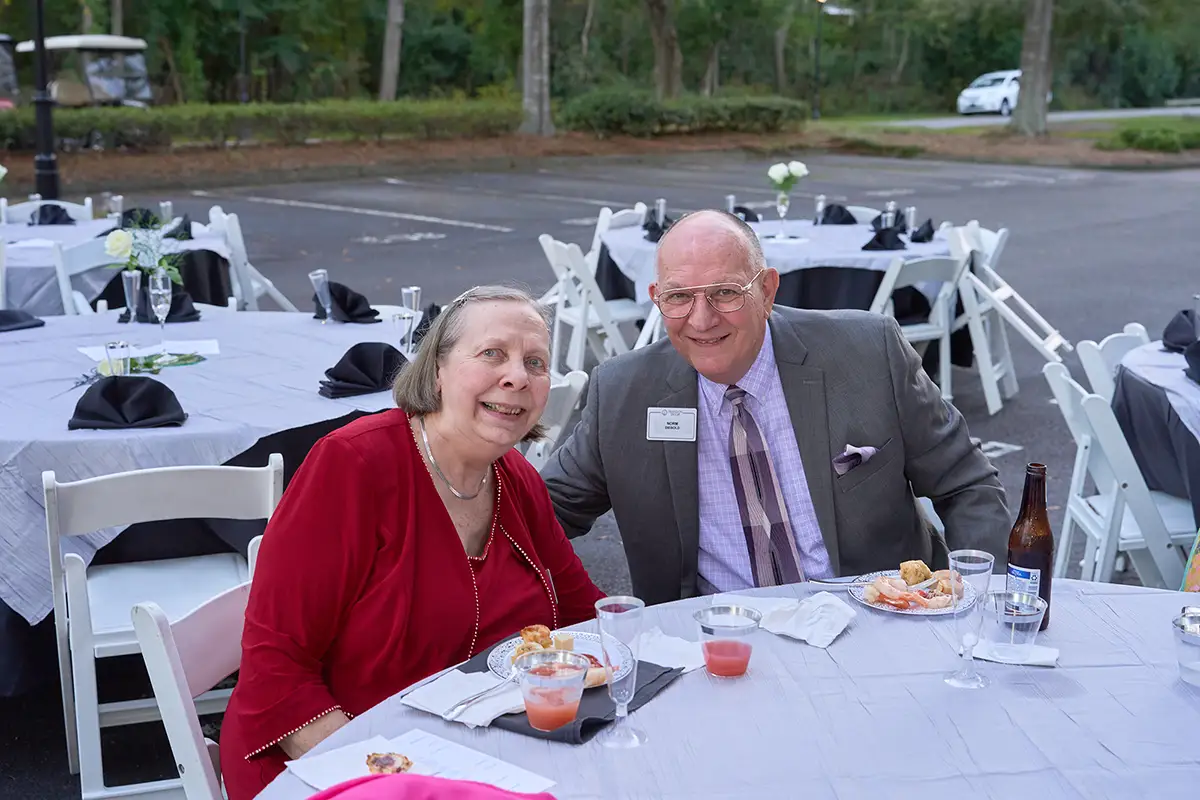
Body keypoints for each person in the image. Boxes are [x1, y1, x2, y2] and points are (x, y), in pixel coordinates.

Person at [220, 286, 606, 800]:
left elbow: (585, 613)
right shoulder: (352, 467)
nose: (517, 375)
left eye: (535, 362)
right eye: (492, 353)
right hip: (337, 759)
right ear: (438, 369)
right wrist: (396, 779)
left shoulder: (515, 477)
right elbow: (276, 672)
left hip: (489, 752)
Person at [542, 210, 1010, 604]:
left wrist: (977, 601)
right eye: (679, 297)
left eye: (725, 293)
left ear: (767, 290)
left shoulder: (868, 353)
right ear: (656, 299)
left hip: (873, 621)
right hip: (719, 643)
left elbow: (966, 484)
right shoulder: (625, 392)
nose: (701, 320)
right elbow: (544, 515)